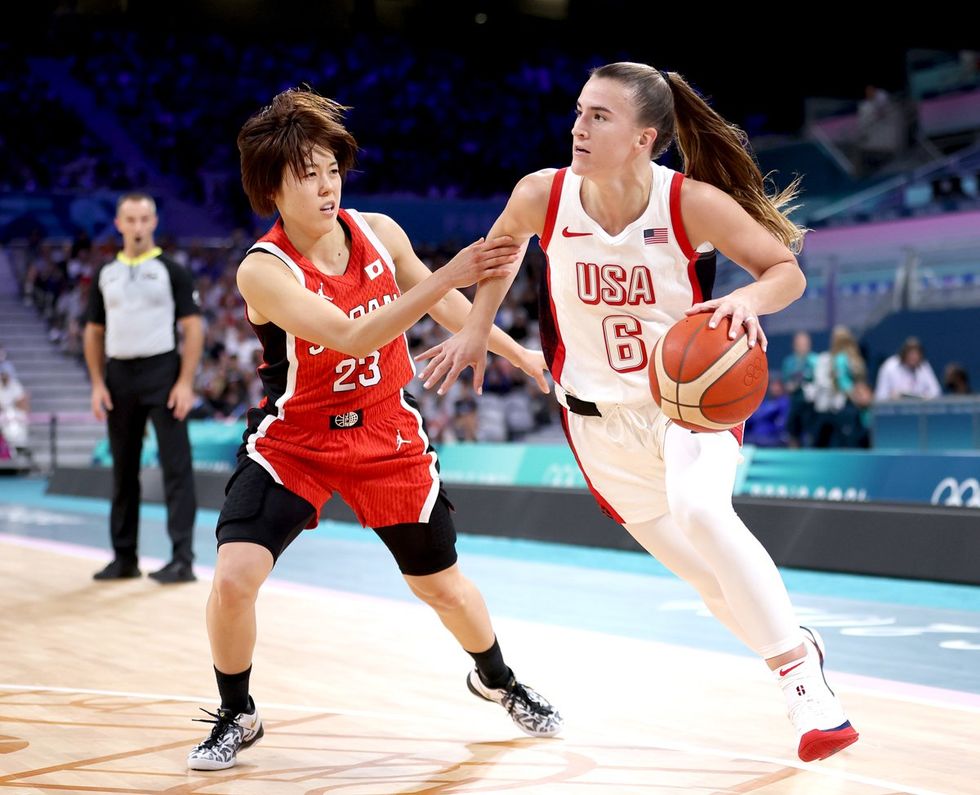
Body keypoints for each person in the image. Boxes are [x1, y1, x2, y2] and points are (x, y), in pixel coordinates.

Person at [418, 62, 858, 763]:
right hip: (595, 427)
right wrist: (477, 326)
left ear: (643, 138)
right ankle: (798, 644)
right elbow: (499, 257)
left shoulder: (688, 204)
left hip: (685, 405)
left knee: (705, 513)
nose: (579, 127)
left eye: (599, 117)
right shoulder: (544, 193)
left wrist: (745, 299)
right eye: (579, 112)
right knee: (711, 582)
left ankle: (805, 686)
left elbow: (786, 271)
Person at [185, 88, 562, 772]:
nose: (327, 185)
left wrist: (520, 353)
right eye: (308, 174)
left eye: (332, 168)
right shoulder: (261, 269)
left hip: (387, 434)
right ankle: (237, 709)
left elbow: (446, 303)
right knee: (235, 575)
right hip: (297, 438)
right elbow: (356, 334)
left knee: (442, 586)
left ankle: (498, 678)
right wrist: (450, 270)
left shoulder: (381, 233)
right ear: (272, 185)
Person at [83, 193, 203, 584]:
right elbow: (93, 331)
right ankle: (124, 558)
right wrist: (98, 382)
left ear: (154, 222)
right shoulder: (105, 273)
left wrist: (185, 382)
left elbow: (193, 327)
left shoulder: (172, 270)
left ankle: (182, 558)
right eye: (130, 220)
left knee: (176, 468)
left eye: (144, 219)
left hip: (162, 371)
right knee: (123, 470)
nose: (137, 226)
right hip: (118, 375)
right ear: (118, 224)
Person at [874, 336, 942, 401]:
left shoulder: (924, 366)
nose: (914, 357)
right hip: (893, 409)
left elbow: (936, 392)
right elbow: (880, 396)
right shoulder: (889, 367)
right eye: (911, 354)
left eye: (916, 354)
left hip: (919, 409)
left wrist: (927, 396)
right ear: (903, 354)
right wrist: (890, 397)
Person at [781, 330, 818, 447]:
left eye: (804, 343)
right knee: (793, 433)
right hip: (795, 403)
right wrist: (791, 386)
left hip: (812, 406)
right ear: (794, 345)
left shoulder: (815, 360)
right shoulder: (789, 362)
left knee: (812, 434)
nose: (802, 346)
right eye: (799, 344)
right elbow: (786, 383)